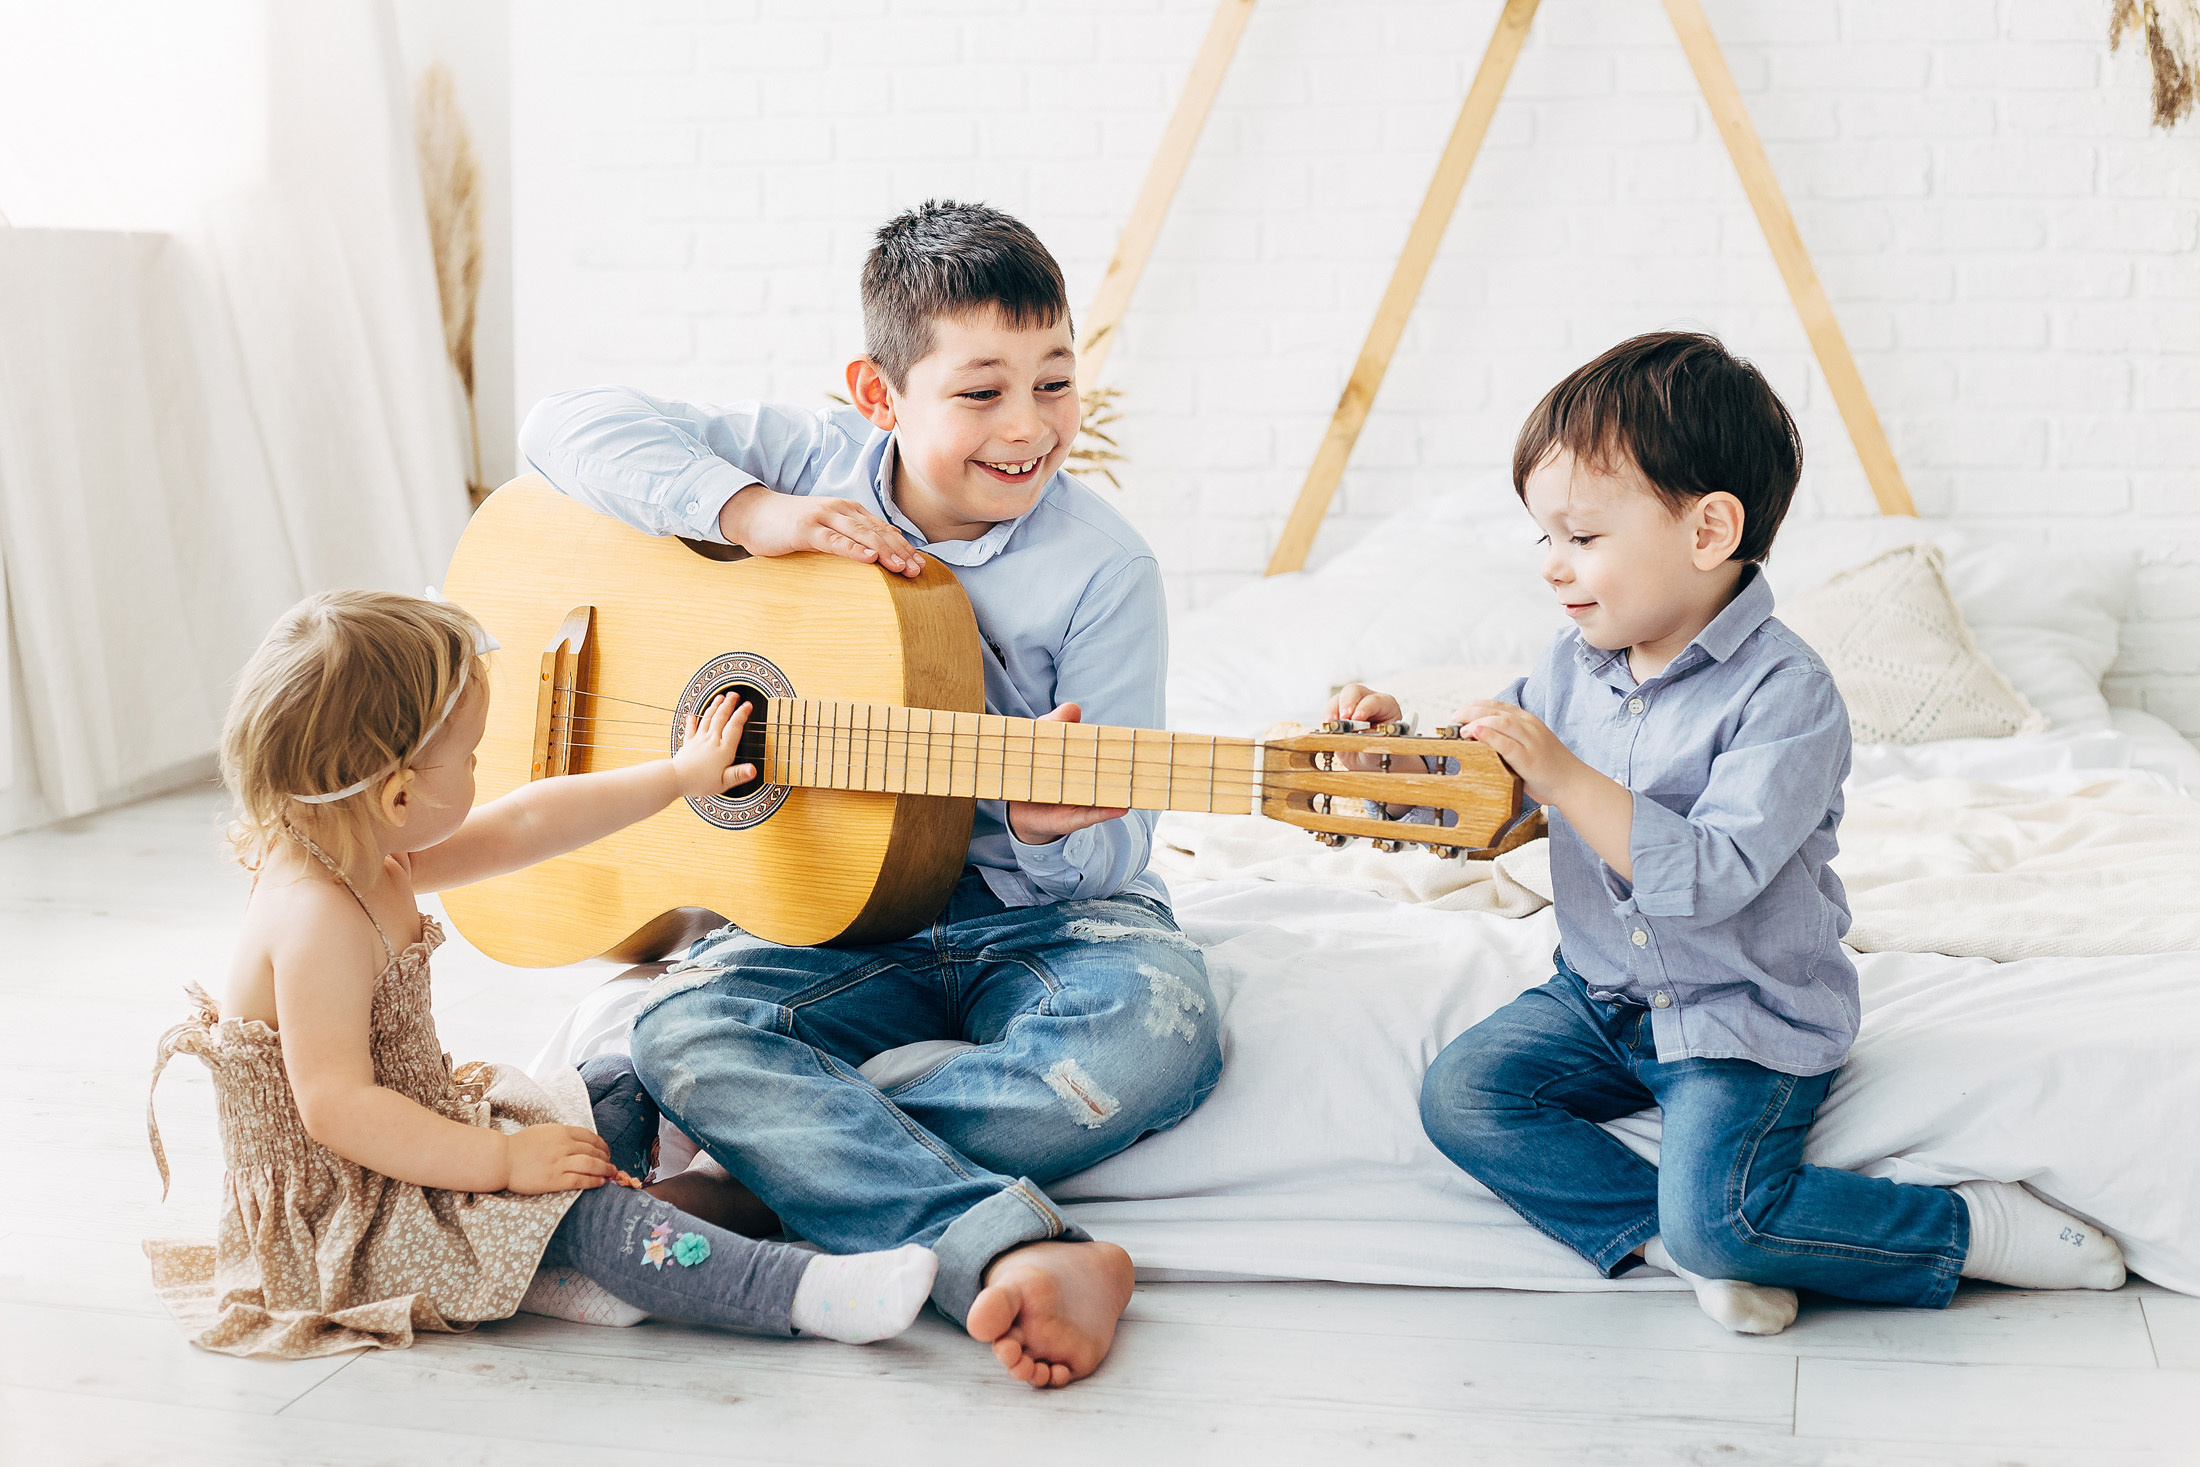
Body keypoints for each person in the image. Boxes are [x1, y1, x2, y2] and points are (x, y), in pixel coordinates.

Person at [518, 200, 1223, 1387]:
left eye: (1056, 383)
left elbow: (1114, 849)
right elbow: (560, 426)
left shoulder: (1106, 571)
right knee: (678, 1028)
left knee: (1154, 1040)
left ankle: (770, 1166)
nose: (1028, 425)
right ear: (878, 393)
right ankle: (1018, 1248)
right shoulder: (806, 460)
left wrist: (1046, 833)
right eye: (982, 391)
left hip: (1046, 924)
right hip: (833, 919)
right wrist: (754, 514)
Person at [1331, 332, 2126, 1336]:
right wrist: (1393, 761)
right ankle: (1674, 1244)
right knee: (1463, 1096)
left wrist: (1564, 773)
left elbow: (1710, 876)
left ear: (1708, 530)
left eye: (1582, 535)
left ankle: (1961, 1232)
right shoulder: (1571, 666)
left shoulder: (1788, 694)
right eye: (1543, 539)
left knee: (1728, 1215)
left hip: (1740, 1014)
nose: (1553, 567)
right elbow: (1498, 794)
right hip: (1601, 996)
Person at [146, 590, 938, 1358]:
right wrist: (504, 1163)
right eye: (471, 757)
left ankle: (559, 1254)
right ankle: (800, 1293)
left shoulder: (367, 847)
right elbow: (340, 1111)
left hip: (426, 1135)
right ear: (398, 795)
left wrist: (678, 775)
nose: (482, 768)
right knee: (590, 1215)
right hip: (364, 1205)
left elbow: (529, 820)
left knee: (620, 1079)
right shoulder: (312, 919)